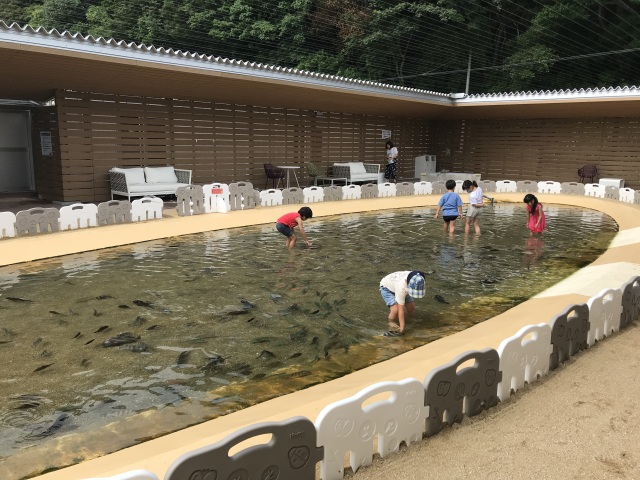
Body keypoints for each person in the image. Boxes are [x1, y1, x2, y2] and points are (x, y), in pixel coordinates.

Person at [379, 270, 426, 337]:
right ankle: (391, 323)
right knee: (395, 310)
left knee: (411, 307)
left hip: (403, 287)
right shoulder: (401, 287)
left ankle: (410, 322)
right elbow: (401, 309)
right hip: (387, 288)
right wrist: (402, 328)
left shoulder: (418, 279)